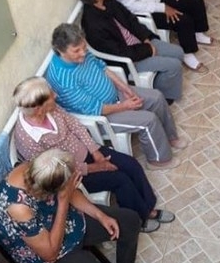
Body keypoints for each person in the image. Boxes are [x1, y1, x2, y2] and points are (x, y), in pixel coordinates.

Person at [0, 149, 161, 263]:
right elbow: (49, 253)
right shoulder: (18, 207)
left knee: (129, 221)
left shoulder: (40, 166)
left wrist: (100, 215)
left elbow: (69, 191)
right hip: (44, 256)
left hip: (63, 222)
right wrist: (63, 200)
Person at [13, 76, 175, 233]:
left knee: (131, 164)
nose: (55, 95)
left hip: (87, 152)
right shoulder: (27, 139)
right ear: (38, 108)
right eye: (50, 95)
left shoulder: (52, 109)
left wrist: (95, 151)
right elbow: (54, 171)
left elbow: (75, 126)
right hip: (72, 175)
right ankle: (139, 219)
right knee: (120, 180)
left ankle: (148, 207)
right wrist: (93, 168)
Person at [46, 24, 187, 170]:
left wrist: (125, 88)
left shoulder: (81, 54)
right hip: (101, 116)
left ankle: (170, 137)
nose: (83, 53)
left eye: (83, 47)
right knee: (148, 120)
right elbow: (96, 109)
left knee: (157, 97)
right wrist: (126, 106)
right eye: (76, 51)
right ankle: (158, 161)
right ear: (60, 51)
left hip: (115, 95)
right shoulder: (62, 79)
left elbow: (103, 68)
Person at [74, 0, 185, 94]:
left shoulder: (108, 0)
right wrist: (147, 50)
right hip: (130, 59)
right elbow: (118, 51)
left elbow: (130, 18)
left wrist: (145, 38)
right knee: (173, 65)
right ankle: (166, 95)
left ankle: (160, 82)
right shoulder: (93, 25)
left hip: (140, 43)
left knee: (178, 52)